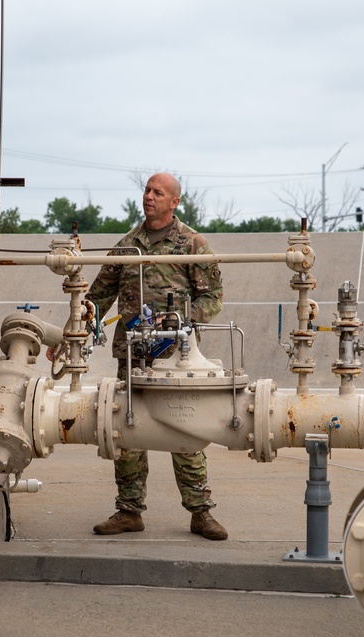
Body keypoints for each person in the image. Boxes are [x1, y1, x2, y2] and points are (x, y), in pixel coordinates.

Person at [85, 172, 228, 540]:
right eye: (147, 190)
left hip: (175, 356)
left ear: (174, 201)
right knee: (127, 426)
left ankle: (200, 512)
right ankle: (129, 510)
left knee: (185, 425)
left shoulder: (192, 244)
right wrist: (75, 329)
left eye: (157, 192)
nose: (148, 196)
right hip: (132, 353)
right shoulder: (127, 246)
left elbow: (212, 297)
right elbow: (98, 297)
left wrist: (182, 319)